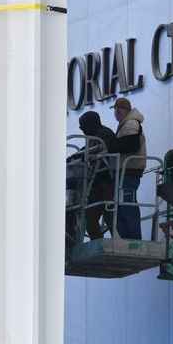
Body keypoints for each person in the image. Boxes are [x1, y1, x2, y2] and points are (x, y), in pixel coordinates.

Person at [70, 111, 115, 240]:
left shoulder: (105, 134)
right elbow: (82, 152)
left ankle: (118, 240)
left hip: (107, 181)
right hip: (95, 184)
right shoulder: (92, 139)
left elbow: (109, 147)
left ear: (91, 124)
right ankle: (97, 241)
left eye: (83, 126)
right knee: (89, 217)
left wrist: (94, 155)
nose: (82, 130)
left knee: (110, 215)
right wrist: (70, 159)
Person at [106, 97, 147, 239]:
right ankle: (128, 237)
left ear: (123, 110)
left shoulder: (130, 123)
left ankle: (132, 238)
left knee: (126, 205)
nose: (116, 112)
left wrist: (110, 149)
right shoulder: (128, 123)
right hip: (126, 171)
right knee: (123, 205)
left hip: (128, 171)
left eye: (118, 109)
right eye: (115, 110)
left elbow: (131, 143)